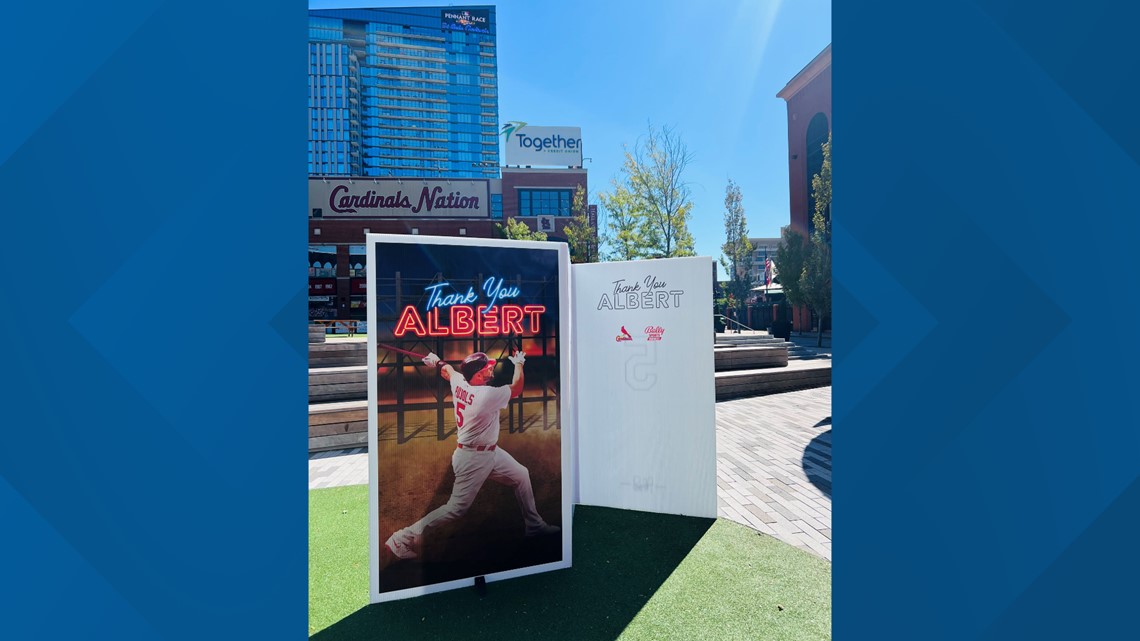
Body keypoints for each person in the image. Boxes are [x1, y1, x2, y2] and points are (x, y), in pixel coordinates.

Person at [384, 349, 560, 561]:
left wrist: (437, 361)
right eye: (487, 367)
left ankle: (534, 526)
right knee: (456, 508)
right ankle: (402, 537)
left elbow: (448, 371)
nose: (491, 367)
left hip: (489, 452)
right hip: (473, 459)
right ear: (477, 374)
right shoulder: (485, 395)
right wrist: (520, 364)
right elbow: (517, 387)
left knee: (521, 475)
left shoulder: (460, 382)